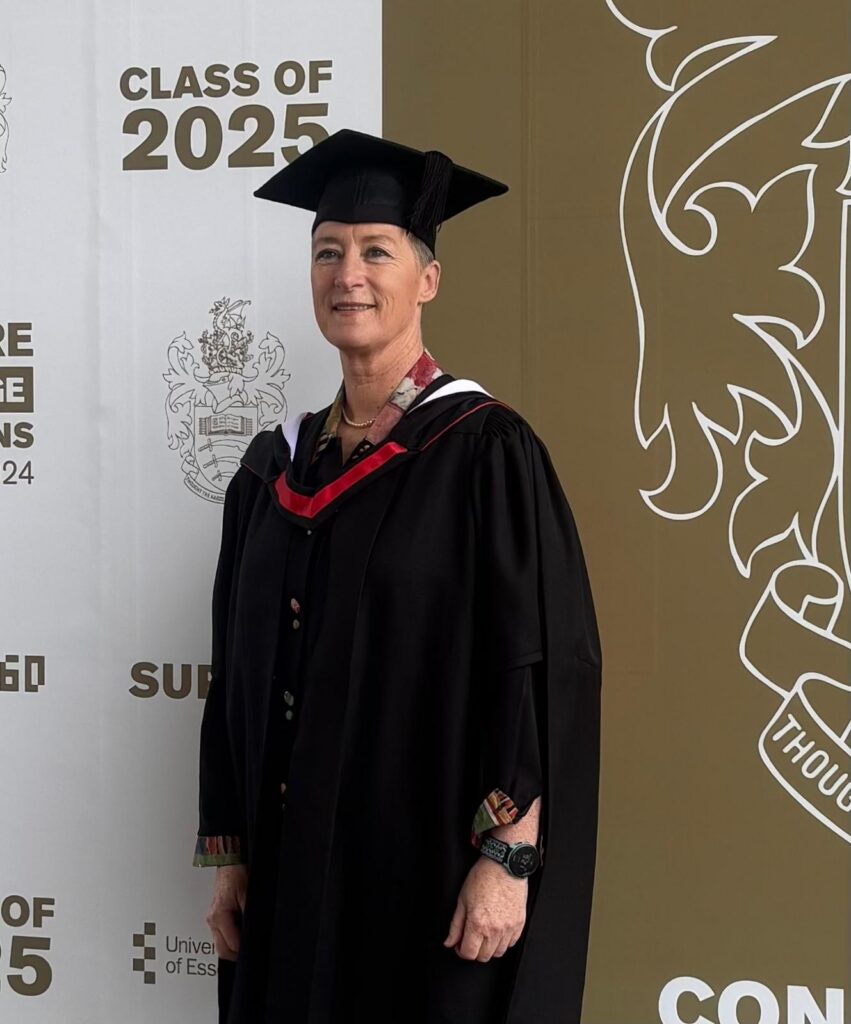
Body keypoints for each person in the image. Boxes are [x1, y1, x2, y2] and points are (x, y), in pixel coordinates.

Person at [194, 128, 602, 1024]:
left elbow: (539, 669)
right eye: (326, 252)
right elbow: (236, 673)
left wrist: (508, 858)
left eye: (376, 251)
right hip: (291, 869)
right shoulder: (271, 472)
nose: (348, 275)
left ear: (427, 280)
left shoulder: (482, 452)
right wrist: (231, 854)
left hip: (424, 870)